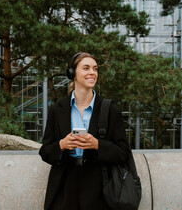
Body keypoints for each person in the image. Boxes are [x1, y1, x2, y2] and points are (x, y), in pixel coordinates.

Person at [39, 52, 131, 210]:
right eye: (86, 68)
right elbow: (45, 151)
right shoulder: (57, 109)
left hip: (99, 185)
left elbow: (123, 152)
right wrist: (61, 145)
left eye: (95, 69)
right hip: (64, 184)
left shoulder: (109, 109)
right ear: (72, 73)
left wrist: (97, 145)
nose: (92, 73)